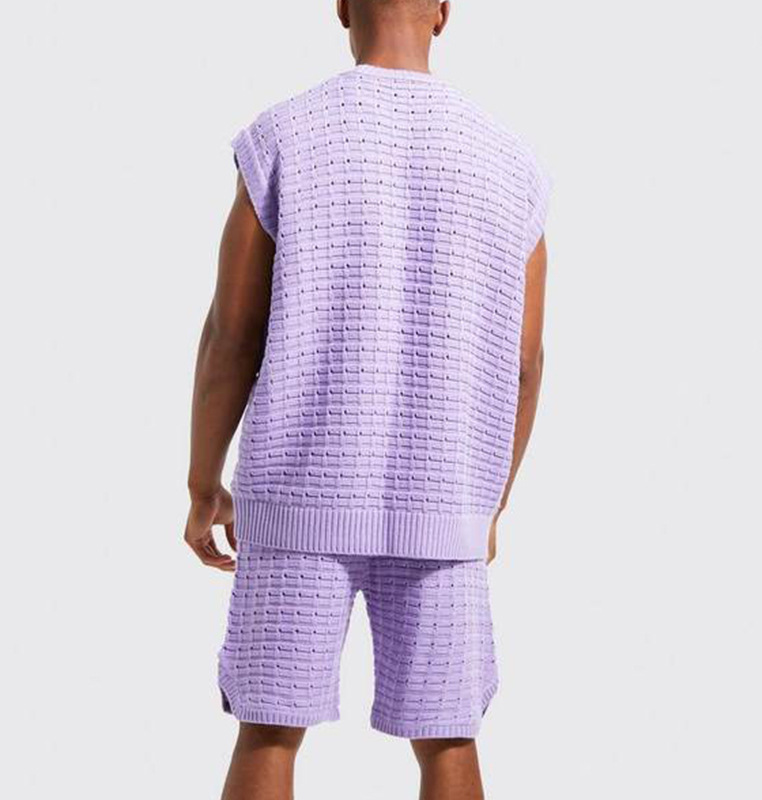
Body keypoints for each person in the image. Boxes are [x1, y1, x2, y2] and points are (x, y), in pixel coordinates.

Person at [184, 1, 551, 797]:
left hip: (296, 498)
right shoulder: (510, 164)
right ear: (443, 12)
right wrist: (490, 504)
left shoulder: (284, 137)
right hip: (445, 502)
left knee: (268, 734)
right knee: (449, 742)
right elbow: (525, 365)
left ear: (343, 7)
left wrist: (202, 481)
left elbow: (231, 336)